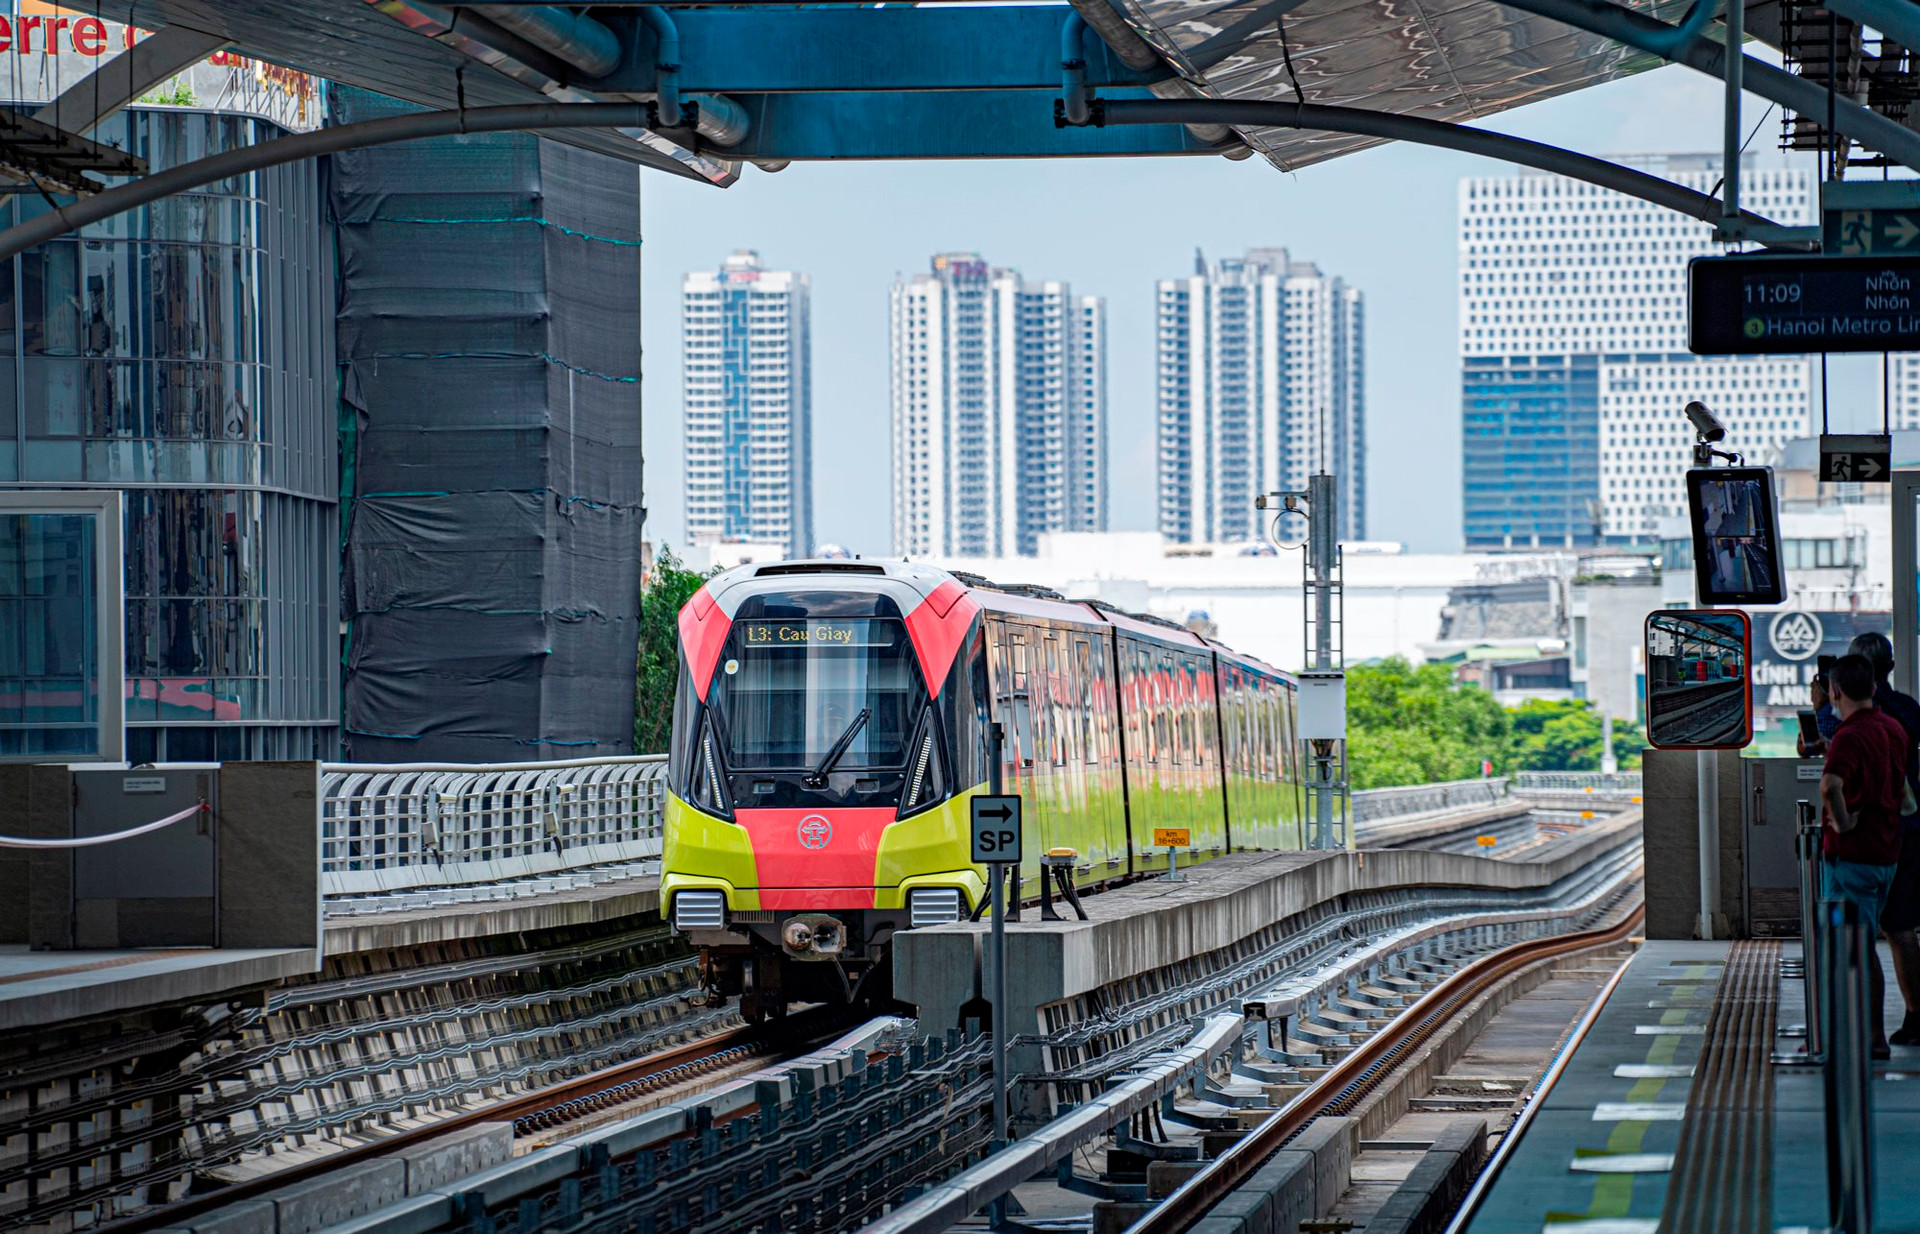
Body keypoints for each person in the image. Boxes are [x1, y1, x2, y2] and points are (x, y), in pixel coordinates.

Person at [1819, 653, 1909, 1059]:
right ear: (1873, 688)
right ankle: (1866, 1033)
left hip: (1851, 858)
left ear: (1834, 691)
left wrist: (1842, 822)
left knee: (1850, 948)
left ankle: (1867, 1036)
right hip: (1886, 853)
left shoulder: (1849, 736)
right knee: (1864, 943)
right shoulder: (1893, 728)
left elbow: (1830, 785)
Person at [1847, 631, 1920, 1047]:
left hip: (1862, 837)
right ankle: (1915, 1018)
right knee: (1902, 928)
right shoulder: (1908, 711)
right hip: (1908, 827)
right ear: (1890, 668)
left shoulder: (1848, 719)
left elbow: (1830, 768)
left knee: (1854, 933)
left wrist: (1824, 703)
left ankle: (1867, 1031)